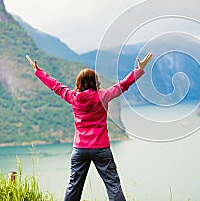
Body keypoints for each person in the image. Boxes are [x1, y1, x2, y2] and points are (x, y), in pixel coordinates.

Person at [26, 53, 153, 201]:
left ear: (79, 83)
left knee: (73, 187)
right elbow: (122, 85)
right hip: (101, 148)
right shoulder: (103, 95)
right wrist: (138, 70)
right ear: (95, 82)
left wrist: (38, 71)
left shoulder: (72, 97)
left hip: (80, 149)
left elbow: (56, 86)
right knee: (113, 185)